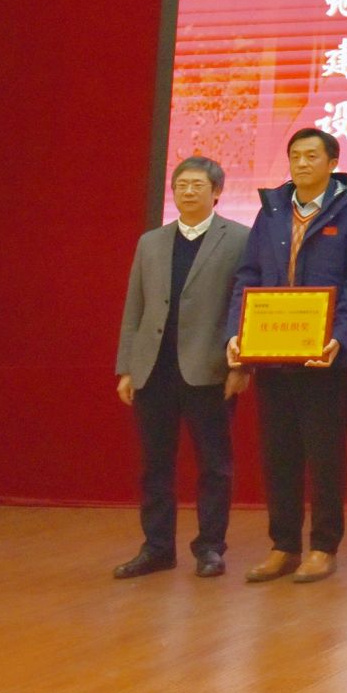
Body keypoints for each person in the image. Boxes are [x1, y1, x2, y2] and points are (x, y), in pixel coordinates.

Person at [225, 126, 347, 584]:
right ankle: (284, 546)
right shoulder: (271, 211)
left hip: (324, 358)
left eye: (312, 155)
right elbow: (247, 276)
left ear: (332, 163)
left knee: (325, 456)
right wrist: (237, 332)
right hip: (273, 354)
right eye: (295, 155)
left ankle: (323, 547)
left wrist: (341, 335)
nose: (302, 163)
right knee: (279, 455)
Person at [111, 156, 251, 579]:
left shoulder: (240, 239)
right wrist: (127, 367)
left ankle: (210, 548)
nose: (188, 192)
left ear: (216, 192)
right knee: (154, 465)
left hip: (209, 369)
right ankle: (157, 548)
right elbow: (135, 307)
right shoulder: (151, 242)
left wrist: (242, 366)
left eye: (197, 185)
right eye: (181, 185)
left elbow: (245, 306)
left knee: (214, 465)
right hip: (153, 369)